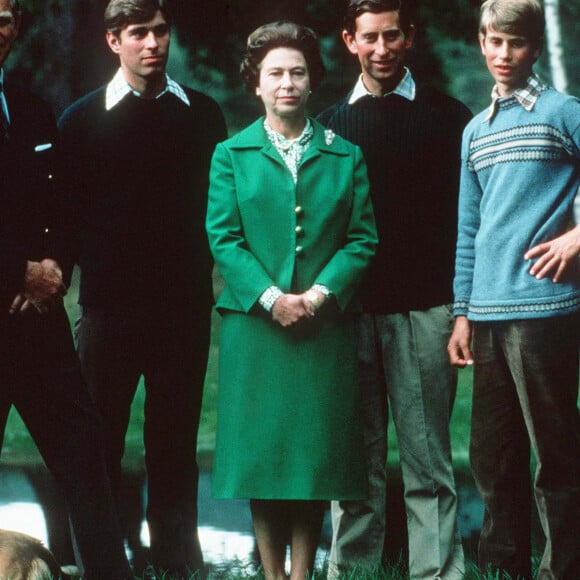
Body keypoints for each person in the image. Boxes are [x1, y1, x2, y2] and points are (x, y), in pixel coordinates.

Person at [57, 0, 227, 576]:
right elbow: (68, 217)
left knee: (173, 445)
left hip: (183, 310)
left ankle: (178, 561)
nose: (153, 43)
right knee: (98, 441)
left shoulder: (202, 115)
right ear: (114, 42)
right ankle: (102, 562)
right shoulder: (80, 121)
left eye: (160, 31)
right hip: (107, 311)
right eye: (139, 34)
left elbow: (217, 213)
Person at [206, 21, 377, 580]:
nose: (287, 83)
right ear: (255, 82)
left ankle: (303, 575)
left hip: (322, 328)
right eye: (275, 73)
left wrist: (318, 295)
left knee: (312, 458)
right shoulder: (231, 154)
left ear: (312, 82)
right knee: (263, 457)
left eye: (297, 72)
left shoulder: (345, 155)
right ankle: (273, 575)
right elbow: (224, 238)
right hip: (257, 329)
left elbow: (361, 238)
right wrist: (273, 297)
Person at [317, 1, 471, 578]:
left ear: (409, 37)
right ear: (349, 41)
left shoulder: (450, 117)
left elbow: (467, 221)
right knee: (355, 465)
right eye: (369, 38)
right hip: (349, 315)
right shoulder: (329, 127)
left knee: (428, 462)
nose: (381, 49)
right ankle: (353, 570)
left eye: (392, 36)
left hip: (425, 312)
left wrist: (462, 311)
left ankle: (438, 572)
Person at [447, 0, 580, 578]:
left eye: (517, 43)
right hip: (488, 314)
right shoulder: (476, 130)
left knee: (553, 453)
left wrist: (578, 239)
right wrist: (462, 313)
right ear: (481, 42)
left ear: (534, 47)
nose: (505, 55)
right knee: (492, 457)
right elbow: (469, 228)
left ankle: (562, 569)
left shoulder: (562, 112)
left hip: (546, 309)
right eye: (495, 42)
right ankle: (504, 570)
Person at [0, 1, 133, 578]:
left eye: (5, 17)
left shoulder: (30, 107)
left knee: (87, 459)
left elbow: (62, 204)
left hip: (39, 324)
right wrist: (17, 272)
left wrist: (53, 266)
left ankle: (108, 573)